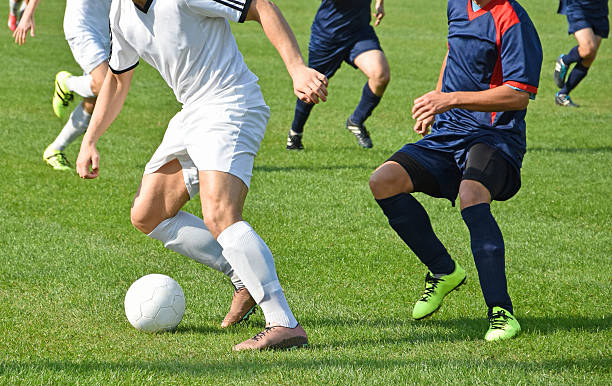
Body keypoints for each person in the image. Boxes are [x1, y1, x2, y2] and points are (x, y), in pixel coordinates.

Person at [76, 0, 328, 351]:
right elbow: (117, 80)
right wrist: (90, 139)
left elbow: (259, 5)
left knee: (220, 214)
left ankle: (283, 322)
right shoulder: (119, 13)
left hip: (230, 103)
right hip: (191, 113)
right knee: (147, 214)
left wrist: (298, 68)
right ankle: (245, 280)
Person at [369, 0, 542, 341]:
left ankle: (501, 313)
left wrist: (450, 99)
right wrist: (438, 97)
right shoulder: (457, 5)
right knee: (383, 181)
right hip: (449, 130)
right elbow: (453, 51)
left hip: (495, 135)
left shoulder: (512, 18)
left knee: (471, 194)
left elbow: (518, 95)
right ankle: (443, 269)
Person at [14, 0, 112, 172]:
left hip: (107, 30)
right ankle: (66, 83)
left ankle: (55, 149)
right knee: (105, 85)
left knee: (94, 99)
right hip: (82, 27)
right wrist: (28, 13)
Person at [286, 0, 389, 150]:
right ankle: (295, 133)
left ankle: (356, 120)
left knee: (381, 75)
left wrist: (379, 4)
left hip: (360, 33)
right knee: (312, 87)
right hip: (328, 35)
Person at [554, 0, 609, 107]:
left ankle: (563, 94)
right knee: (588, 49)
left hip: (600, 10)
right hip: (578, 7)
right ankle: (565, 60)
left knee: (589, 57)